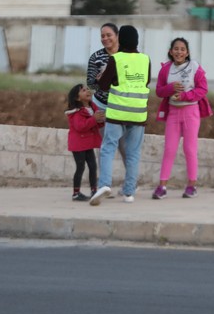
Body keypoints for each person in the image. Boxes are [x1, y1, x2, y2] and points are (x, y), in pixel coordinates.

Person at [89, 25, 151, 206]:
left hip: (117, 111)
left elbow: (104, 85)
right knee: (133, 153)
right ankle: (129, 192)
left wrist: (102, 79)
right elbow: (145, 81)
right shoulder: (145, 59)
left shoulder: (116, 58)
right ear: (137, 40)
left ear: (120, 39)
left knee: (108, 147)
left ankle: (104, 185)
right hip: (138, 112)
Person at [152, 37, 213, 199]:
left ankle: (192, 185)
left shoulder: (195, 68)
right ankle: (162, 186)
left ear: (187, 53)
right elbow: (158, 91)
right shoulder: (166, 69)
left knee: (189, 149)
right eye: (176, 49)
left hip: (191, 112)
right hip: (173, 112)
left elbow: (203, 89)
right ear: (171, 52)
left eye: (182, 49)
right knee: (169, 149)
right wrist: (170, 88)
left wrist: (185, 96)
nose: (179, 52)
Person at [86, 22, 125, 194]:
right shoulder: (96, 57)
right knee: (103, 147)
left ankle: (129, 183)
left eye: (109, 35)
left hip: (123, 107)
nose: (105, 38)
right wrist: (100, 79)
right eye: (102, 36)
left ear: (117, 36)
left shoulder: (127, 55)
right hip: (101, 106)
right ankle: (104, 185)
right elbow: (90, 83)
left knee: (124, 146)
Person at [65, 83, 105, 202]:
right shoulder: (76, 112)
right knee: (80, 167)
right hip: (78, 144)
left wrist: (100, 120)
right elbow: (80, 126)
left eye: (87, 89)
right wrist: (94, 119)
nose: (88, 91)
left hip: (88, 143)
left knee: (93, 166)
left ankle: (94, 190)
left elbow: (96, 124)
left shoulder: (93, 107)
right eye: (83, 90)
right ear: (77, 98)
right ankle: (76, 193)